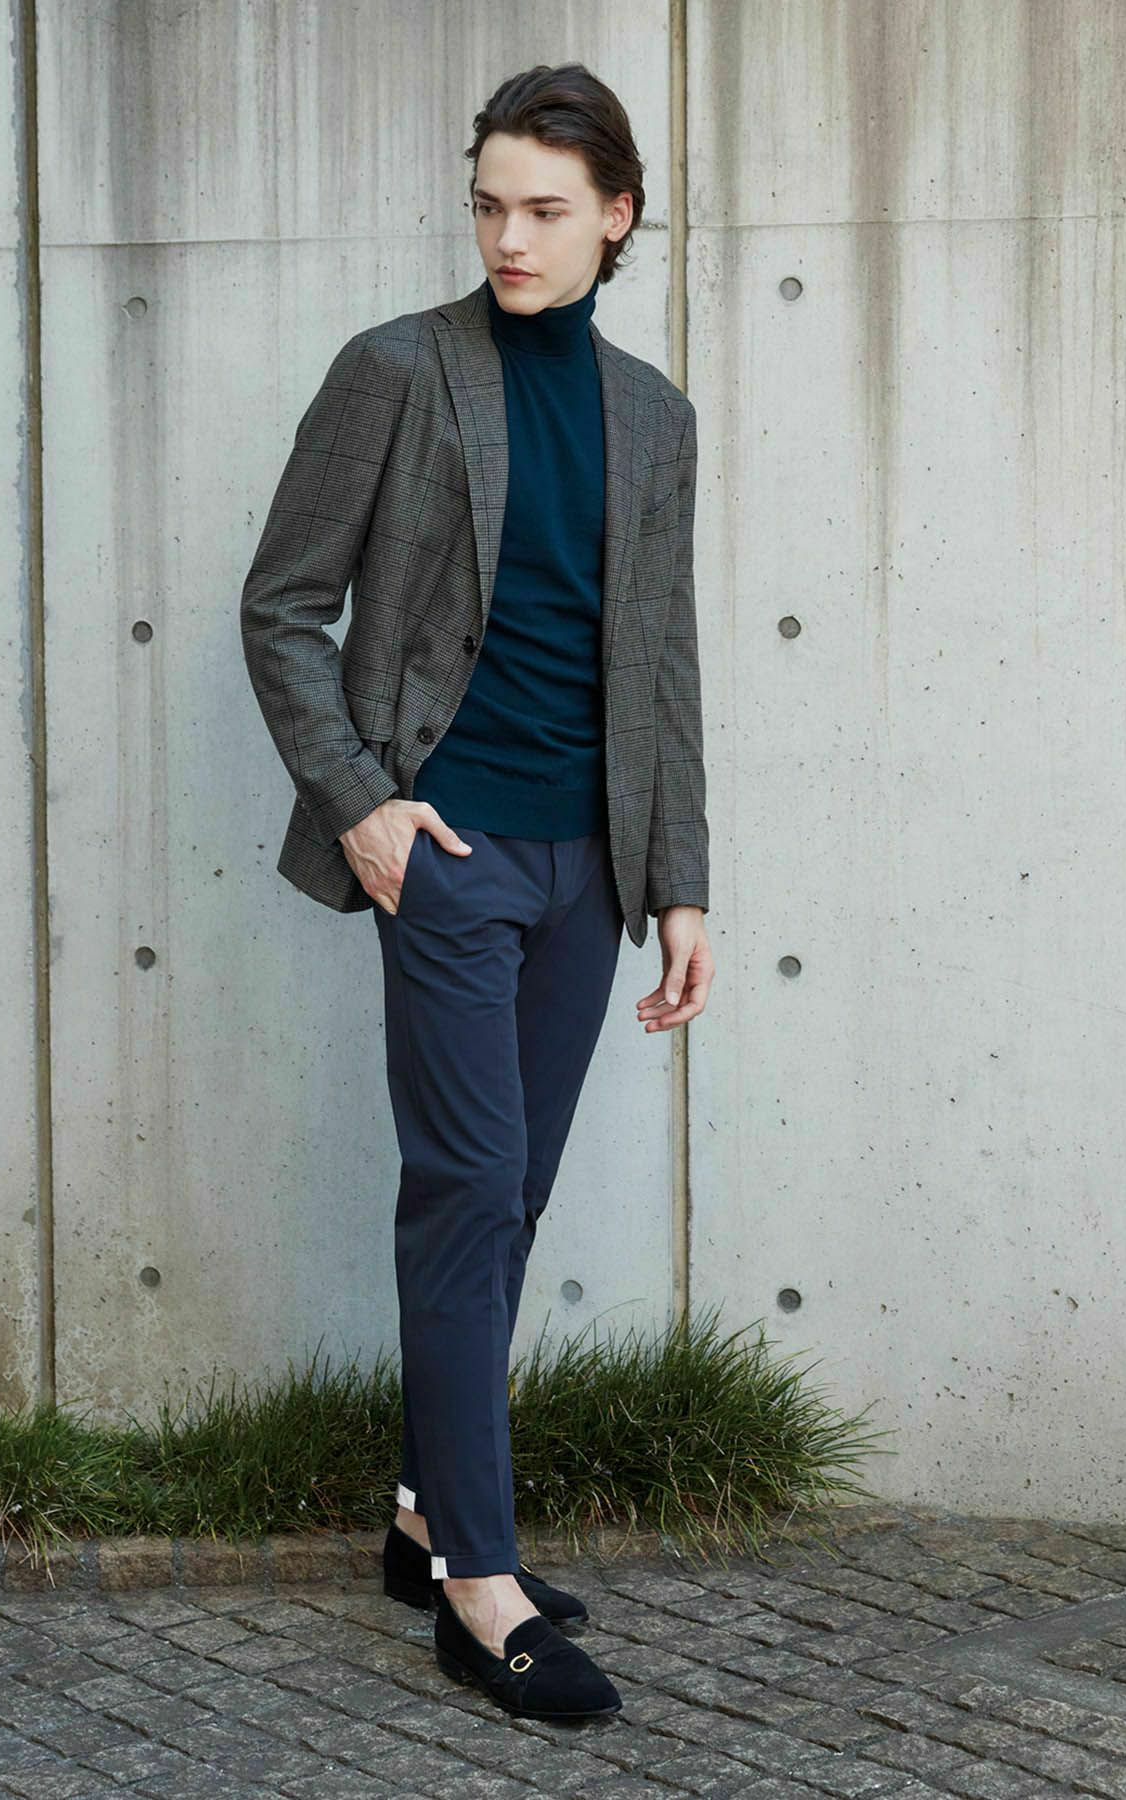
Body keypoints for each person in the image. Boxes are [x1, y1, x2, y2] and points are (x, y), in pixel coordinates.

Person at [239, 62, 713, 1721]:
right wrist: (364, 809)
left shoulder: (655, 416)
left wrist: (680, 883)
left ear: (617, 218)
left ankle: (422, 1510)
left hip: (588, 866)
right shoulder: (397, 371)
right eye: (490, 207)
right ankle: (478, 1587)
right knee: (465, 1186)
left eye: (547, 211)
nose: (511, 238)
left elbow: (660, 661)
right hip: (443, 853)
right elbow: (280, 606)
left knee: (511, 1196)